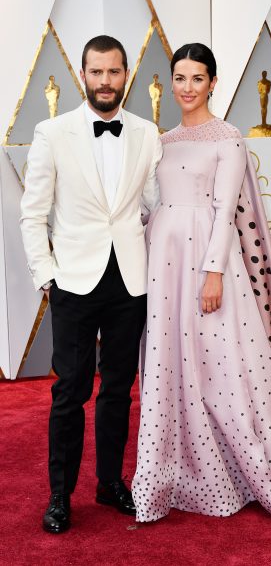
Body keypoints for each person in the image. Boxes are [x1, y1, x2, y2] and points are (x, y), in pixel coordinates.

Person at [132, 43, 271, 527]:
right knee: (171, 364)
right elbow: (149, 203)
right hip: (161, 260)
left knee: (221, 366)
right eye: (180, 78)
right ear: (171, 82)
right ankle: (176, 469)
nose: (188, 88)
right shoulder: (159, 140)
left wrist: (212, 272)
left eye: (197, 78)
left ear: (213, 82)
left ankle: (250, 465)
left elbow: (225, 210)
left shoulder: (227, 139)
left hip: (208, 260)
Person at [20, 35, 162, 534]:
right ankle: (60, 496)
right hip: (74, 283)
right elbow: (32, 214)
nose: (105, 81)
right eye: (96, 72)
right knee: (70, 390)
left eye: (114, 72)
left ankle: (108, 482)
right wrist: (47, 277)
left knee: (119, 390)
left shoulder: (147, 133)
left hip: (129, 280)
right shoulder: (52, 132)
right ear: (83, 74)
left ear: (127, 75)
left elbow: (150, 204)